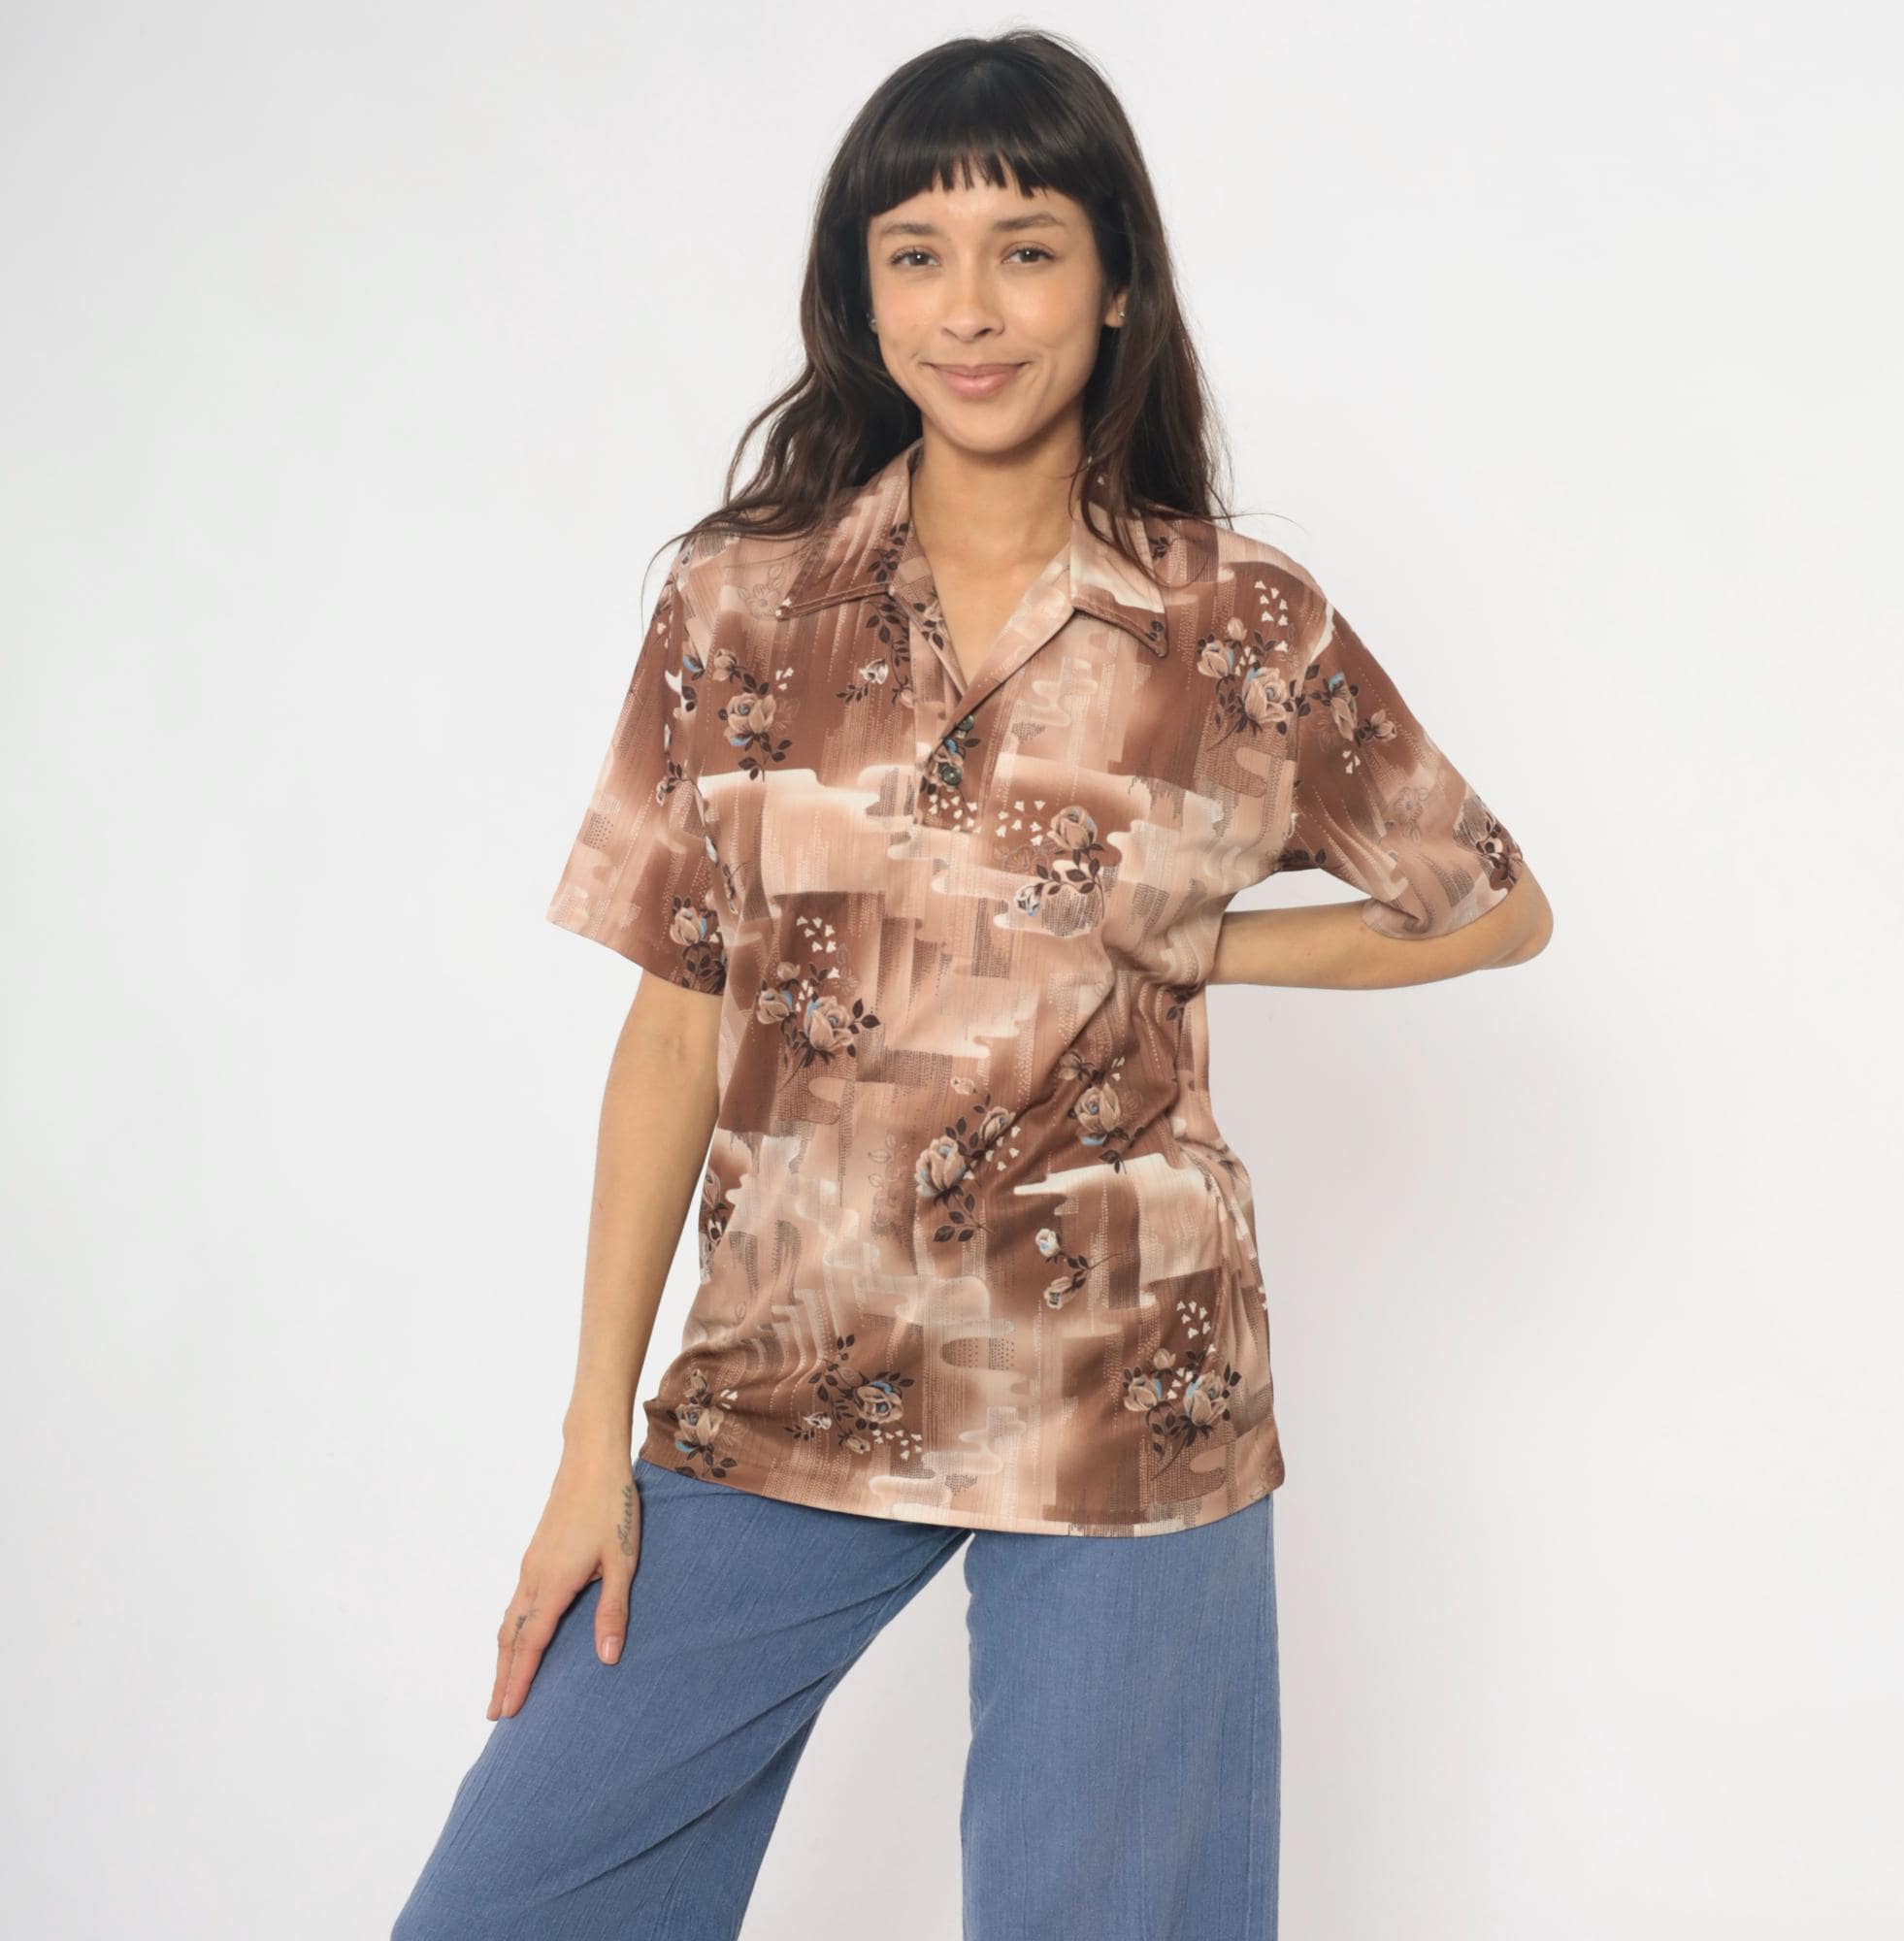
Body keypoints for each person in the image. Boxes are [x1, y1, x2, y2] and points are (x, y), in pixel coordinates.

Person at [391, 27, 1553, 1941]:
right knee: (511, 1902)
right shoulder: (740, 609)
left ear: (1117, 284)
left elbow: (1487, 905)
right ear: (861, 296)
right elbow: (675, 1021)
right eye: (916, 253)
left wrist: (1191, 940)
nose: (971, 306)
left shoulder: (1231, 624)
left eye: (1026, 249)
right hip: (784, 1378)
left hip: (1124, 1396)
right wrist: (591, 1444)